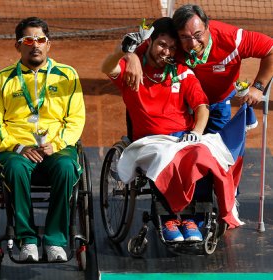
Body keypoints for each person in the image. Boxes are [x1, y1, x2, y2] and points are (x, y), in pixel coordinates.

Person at [0, 17, 85, 262]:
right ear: (18, 46)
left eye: (41, 39)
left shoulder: (66, 75)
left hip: (56, 148)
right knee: (16, 169)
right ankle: (27, 239)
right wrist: (17, 147)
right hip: (16, 149)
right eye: (28, 40)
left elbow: (76, 119)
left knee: (67, 167)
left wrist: (57, 144)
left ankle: (55, 240)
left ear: (49, 44)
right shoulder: (2, 79)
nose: (35, 44)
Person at [101, 17, 209, 242]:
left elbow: (201, 106)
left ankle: (191, 219)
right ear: (149, 42)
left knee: (203, 155)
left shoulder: (182, 72)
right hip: (150, 143)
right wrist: (125, 53)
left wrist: (197, 133)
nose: (166, 52)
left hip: (183, 138)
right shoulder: (132, 72)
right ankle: (168, 218)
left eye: (171, 48)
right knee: (164, 158)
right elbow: (107, 67)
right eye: (162, 44)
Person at [124, 4, 273, 133]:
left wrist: (259, 86)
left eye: (198, 35)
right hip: (181, 105)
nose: (193, 43)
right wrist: (132, 57)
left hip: (218, 102)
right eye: (185, 37)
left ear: (207, 26)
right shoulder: (173, 44)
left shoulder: (232, 39)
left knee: (218, 151)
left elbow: (271, 50)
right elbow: (134, 47)